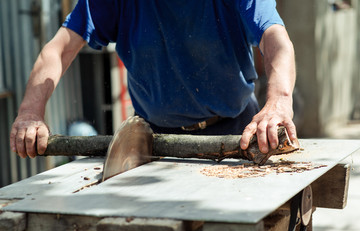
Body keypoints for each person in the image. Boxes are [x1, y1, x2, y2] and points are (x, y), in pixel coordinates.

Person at [10, 0, 297, 159]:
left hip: (237, 134)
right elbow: (59, 49)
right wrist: (30, 112)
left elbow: (275, 39)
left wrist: (279, 102)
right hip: (152, 140)